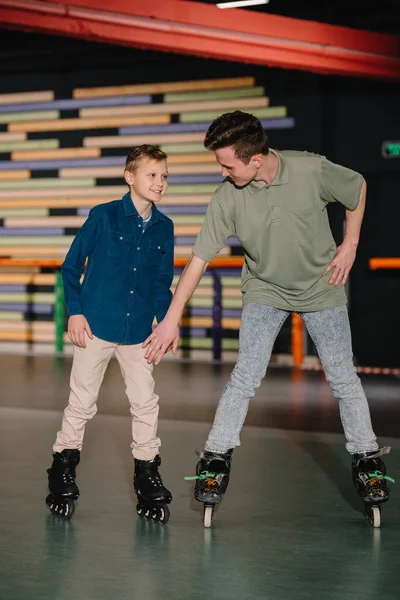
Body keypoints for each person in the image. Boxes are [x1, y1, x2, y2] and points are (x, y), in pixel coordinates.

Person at [143, 111, 394, 527]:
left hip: (321, 285)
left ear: (255, 159)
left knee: (343, 378)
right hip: (265, 288)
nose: (222, 171)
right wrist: (171, 319)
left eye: (227, 164)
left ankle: (366, 459)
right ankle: (217, 457)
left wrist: (350, 243)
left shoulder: (310, 169)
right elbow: (199, 259)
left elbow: (357, 186)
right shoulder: (228, 195)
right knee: (246, 374)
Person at [46, 145, 175, 523]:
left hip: (138, 333)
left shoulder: (164, 227)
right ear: (130, 177)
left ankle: (147, 475)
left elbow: (161, 283)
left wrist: (165, 323)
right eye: (152, 175)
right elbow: (71, 268)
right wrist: (76, 312)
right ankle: (62, 468)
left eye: (164, 176)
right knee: (83, 401)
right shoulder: (103, 217)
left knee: (145, 402)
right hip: (96, 327)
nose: (160, 183)